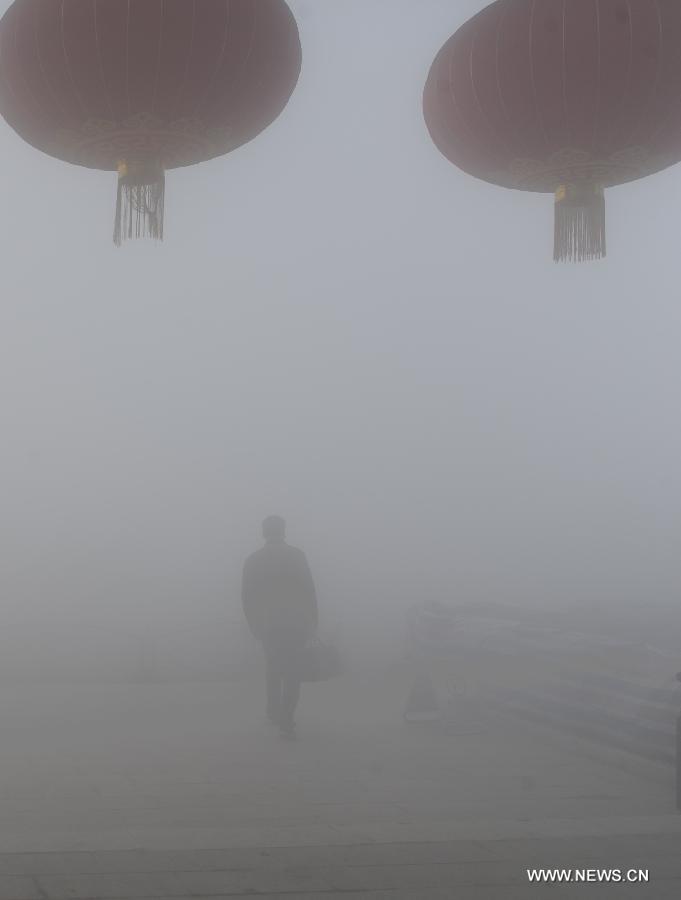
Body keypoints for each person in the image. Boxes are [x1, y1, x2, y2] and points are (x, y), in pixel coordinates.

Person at [241, 516, 318, 739]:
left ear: (263, 532)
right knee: (294, 668)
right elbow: (309, 590)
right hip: (296, 622)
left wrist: (253, 624)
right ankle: (287, 714)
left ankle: (273, 710)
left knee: (273, 665)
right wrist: (313, 621)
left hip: (268, 624)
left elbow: (247, 596)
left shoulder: (253, 560)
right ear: (284, 531)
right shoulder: (297, 556)